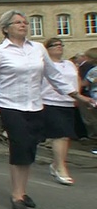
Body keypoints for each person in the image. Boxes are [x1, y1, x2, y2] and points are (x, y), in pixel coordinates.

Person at [0, 10, 92, 209]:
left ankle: (23, 190)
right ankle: (17, 195)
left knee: (30, 148)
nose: (24, 25)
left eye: (25, 22)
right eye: (18, 22)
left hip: (35, 105)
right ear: (6, 28)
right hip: (11, 106)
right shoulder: (0, 51)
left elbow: (54, 76)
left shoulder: (38, 49)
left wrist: (78, 96)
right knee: (20, 145)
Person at [41, 38, 78, 185]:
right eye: (54, 45)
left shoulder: (69, 64)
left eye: (60, 45)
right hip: (50, 101)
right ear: (47, 49)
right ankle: (61, 168)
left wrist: (78, 97)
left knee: (66, 136)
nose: (58, 47)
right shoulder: (44, 65)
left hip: (67, 103)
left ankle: (56, 164)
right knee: (60, 135)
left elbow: (77, 81)